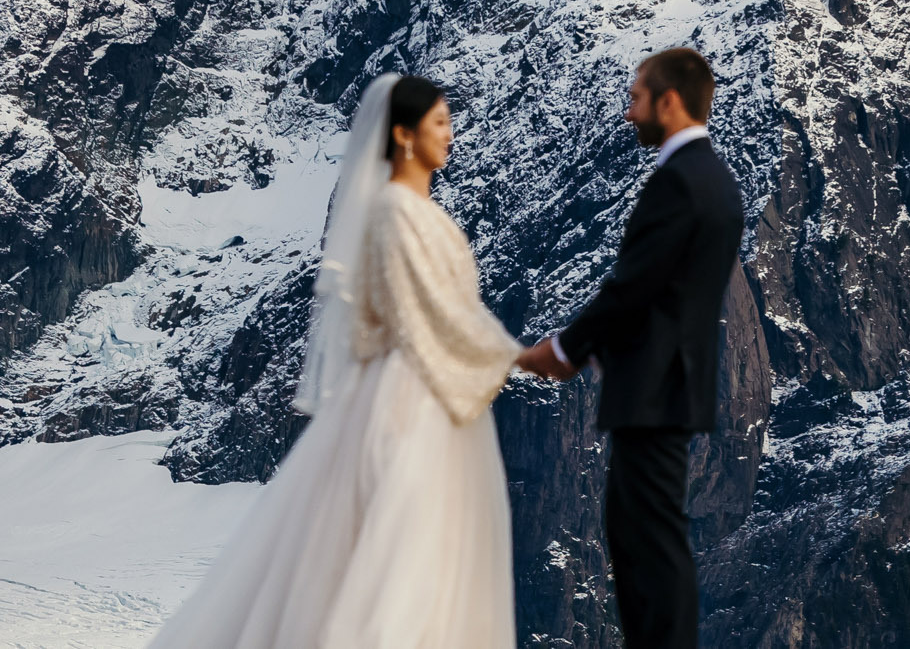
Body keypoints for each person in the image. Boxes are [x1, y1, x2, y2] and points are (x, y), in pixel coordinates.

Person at [148, 73, 527, 649]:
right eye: (440, 123)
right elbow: (420, 316)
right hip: (405, 405)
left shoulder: (420, 213)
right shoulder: (395, 214)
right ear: (404, 134)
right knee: (397, 563)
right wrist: (517, 356)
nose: (451, 134)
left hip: (432, 402)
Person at [515, 47, 744, 649]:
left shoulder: (678, 182)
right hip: (676, 385)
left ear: (669, 101)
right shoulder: (716, 181)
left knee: (647, 543)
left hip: (652, 389)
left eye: (637, 97)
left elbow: (632, 287)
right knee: (647, 535)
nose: (628, 112)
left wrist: (563, 351)